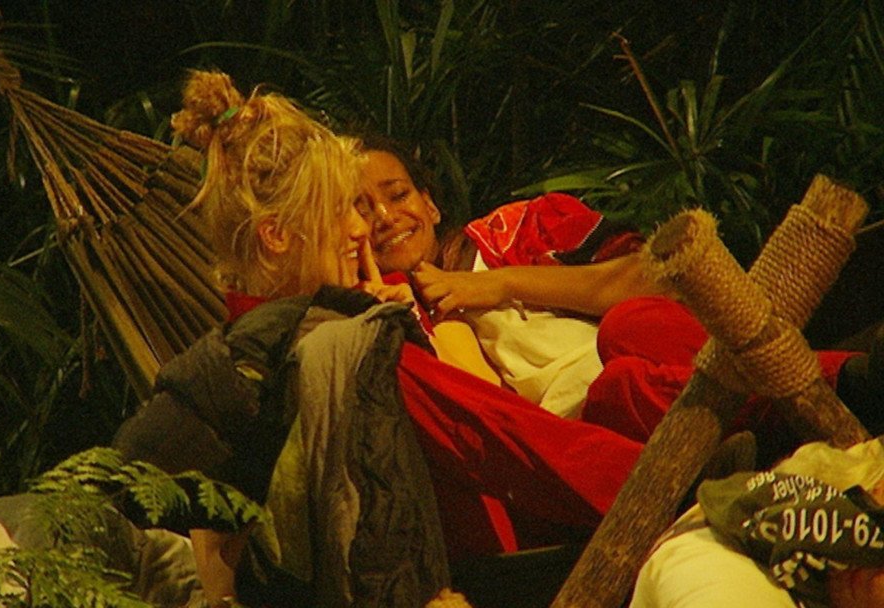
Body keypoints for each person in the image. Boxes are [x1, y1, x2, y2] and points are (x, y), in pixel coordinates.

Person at [111, 71, 646, 608]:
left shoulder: (237, 356)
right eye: (340, 209)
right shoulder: (338, 347)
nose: (361, 228)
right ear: (276, 236)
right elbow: (507, 438)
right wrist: (659, 485)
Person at [354, 136, 882, 456]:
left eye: (397, 195)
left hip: (670, 362)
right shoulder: (387, 320)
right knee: (615, 390)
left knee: (631, 327)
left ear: (430, 204)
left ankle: (853, 380)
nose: (384, 217)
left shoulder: (519, 228)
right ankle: (841, 386)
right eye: (360, 209)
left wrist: (500, 282)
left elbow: (657, 276)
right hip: (599, 435)